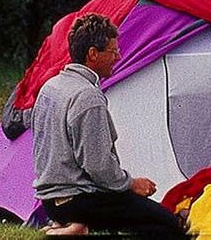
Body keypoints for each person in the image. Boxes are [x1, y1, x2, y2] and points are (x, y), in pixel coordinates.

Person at [28, 13, 187, 238]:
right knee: (167, 225)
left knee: (140, 216)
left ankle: (76, 228)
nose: (118, 56)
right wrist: (132, 184)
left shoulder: (51, 87)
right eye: (113, 51)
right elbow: (98, 166)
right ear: (93, 54)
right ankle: (79, 225)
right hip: (78, 200)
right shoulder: (87, 97)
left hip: (50, 202)